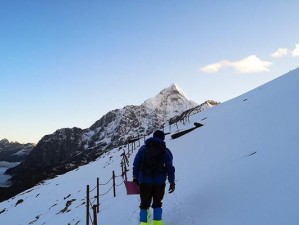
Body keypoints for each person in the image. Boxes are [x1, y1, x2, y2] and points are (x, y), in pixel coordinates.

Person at [133, 130, 175, 225]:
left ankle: (144, 223)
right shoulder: (165, 151)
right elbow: (170, 168)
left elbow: (136, 164)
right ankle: (157, 223)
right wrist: (172, 182)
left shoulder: (143, 149)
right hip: (159, 182)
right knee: (157, 204)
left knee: (144, 205)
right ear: (163, 139)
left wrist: (135, 177)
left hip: (144, 181)